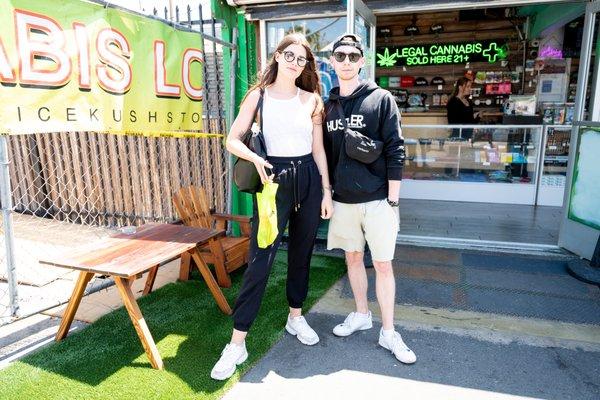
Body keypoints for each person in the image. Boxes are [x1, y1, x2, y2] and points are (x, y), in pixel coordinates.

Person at [210, 33, 334, 380]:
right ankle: (238, 342)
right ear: (277, 56)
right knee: (261, 259)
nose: (296, 62)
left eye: (302, 59)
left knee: (302, 254)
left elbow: (318, 149)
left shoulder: (312, 100)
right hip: (272, 182)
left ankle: (296, 316)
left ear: (307, 65)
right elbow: (232, 139)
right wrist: (256, 158)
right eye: (290, 55)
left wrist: (326, 190)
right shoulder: (258, 96)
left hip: (308, 179)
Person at [323, 34, 416, 365]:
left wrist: (393, 198)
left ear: (362, 61)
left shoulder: (381, 99)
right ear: (332, 61)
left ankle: (389, 331)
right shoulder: (328, 105)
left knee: (382, 264)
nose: (346, 61)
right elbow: (324, 152)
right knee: (351, 259)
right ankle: (361, 313)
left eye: (352, 56)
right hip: (344, 201)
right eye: (340, 55)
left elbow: (396, 147)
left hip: (378, 200)